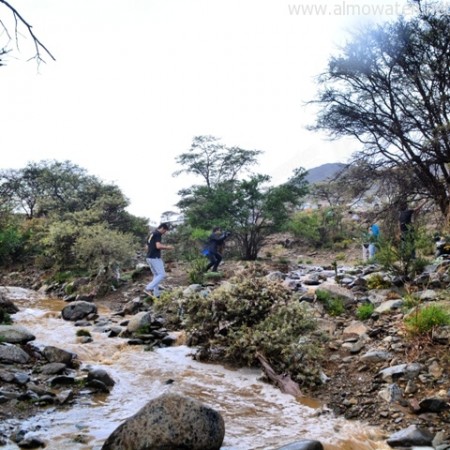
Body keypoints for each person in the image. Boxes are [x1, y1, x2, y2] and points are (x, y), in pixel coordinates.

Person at [144, 223, 174, 298]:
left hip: (149, 257)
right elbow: (158, 246)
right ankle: (148, 288)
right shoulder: (158, 234)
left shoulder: (151, 234)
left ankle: (156, 293)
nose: (165, 233)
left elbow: (146, 247)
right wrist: (168, 247)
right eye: (165, 231)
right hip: (155, 258)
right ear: (163, 228)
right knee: (162, 274)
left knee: (156, 275)